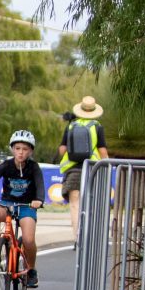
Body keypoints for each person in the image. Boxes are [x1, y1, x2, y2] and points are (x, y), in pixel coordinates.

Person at [0, 130, 45, 288]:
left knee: (28, 239)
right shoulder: (6, 165)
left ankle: (31, 270)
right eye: (17, 148)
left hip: (27, 206)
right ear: (12, 149)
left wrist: (38, 200)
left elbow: (40, 185)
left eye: (25, 149)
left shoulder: (33, 167)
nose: (21, 152)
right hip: (7, 203)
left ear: (31, 151)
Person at [58, 96, 109, 242]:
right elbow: (102, 150)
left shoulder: (71, 126)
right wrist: (108, 166)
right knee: (91, 202)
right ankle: (90, 236)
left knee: (75, 204)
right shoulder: (97, 127)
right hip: (92, 170)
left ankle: (77, 237)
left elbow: (62, 150)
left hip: (73, 170)